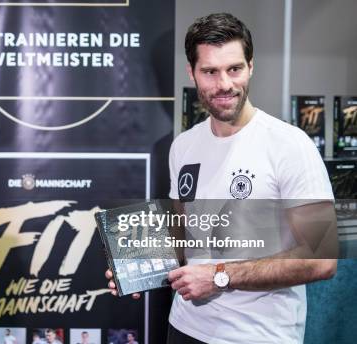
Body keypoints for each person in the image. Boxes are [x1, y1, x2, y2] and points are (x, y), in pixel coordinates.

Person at [107, 12, 337, 343]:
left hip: (256, 335)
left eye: (234, 69)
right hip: (185, 327)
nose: (225, 84)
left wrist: (218, 277)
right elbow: (184, 239)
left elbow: (322, 259)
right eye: (210, 72)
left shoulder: (291, 145)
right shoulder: (184, 146)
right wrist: (137, 267)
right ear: (192, 73)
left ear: (251, 66)